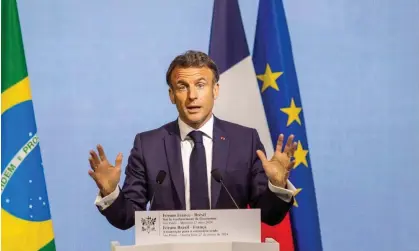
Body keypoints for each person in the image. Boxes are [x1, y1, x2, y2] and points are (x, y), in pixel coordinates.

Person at [88, 50, 298, 230]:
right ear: (172, 95)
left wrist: (277, 185)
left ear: (215, 90)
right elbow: (128, 217)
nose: (192, 96)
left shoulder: (245, 140)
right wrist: (111, 193)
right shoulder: (148, 146)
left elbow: (269, 216)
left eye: (200, 85)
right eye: (182, 87)